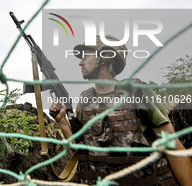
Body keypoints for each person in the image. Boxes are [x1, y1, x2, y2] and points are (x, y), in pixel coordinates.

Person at [50, 35, 192, 186]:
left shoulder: (137, 92)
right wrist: (62, 122)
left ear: (105, 57)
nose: (80, 62)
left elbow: (173, 147)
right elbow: (84, 155)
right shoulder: (85, 101)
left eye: (86, 56)